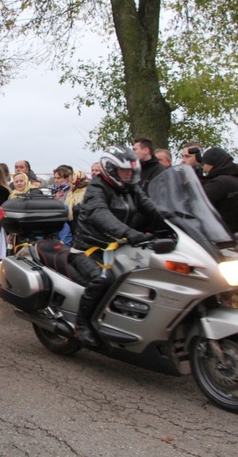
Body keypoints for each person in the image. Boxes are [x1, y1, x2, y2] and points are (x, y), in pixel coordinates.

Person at [71, 145, 165, 347]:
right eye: (124, 171)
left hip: (119, 248)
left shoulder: (131, 189)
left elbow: (150, 207)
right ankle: (82, 324)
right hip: (89, 248)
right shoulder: (96, 189)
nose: (128, 175)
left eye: (131, 172)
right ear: (111, 170)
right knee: (102, 279)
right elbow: (101, 214)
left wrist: (173, 225)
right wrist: (129, 233)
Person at [201, 147, 238, 234]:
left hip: (223, 232)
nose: (203, 168)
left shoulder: (219, 183)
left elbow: (199, 202)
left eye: (204, 164)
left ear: (211, 163)